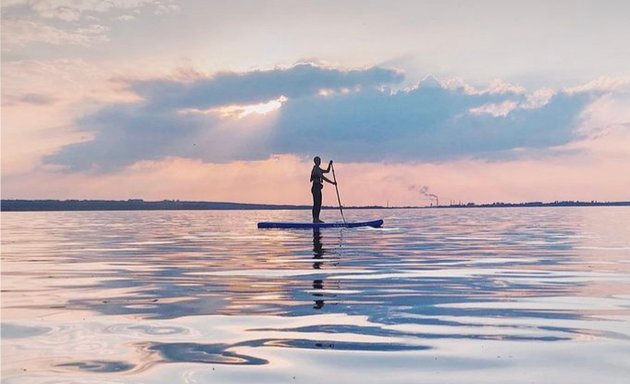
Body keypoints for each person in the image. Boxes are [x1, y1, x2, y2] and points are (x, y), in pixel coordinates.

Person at [310, 156, 336, 223]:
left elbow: (327, 171)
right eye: (318, 160)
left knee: (319, 203)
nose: (319, 162)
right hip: (315, 188)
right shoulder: (316, 169)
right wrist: (333, 183)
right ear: (315, 162)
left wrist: (329, 165)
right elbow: (323, 177)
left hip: (318, 188)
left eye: (320, 160)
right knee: (316, 203)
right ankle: (315, 219)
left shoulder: (319, 169)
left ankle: (317, 218)